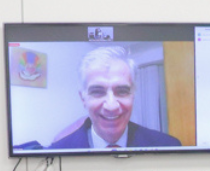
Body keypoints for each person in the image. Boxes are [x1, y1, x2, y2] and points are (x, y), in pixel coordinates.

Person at [47, 45, 182, 150]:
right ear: (83, 99)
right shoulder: (57, 153)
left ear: (133, 95)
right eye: (97, 92)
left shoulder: (168, 146)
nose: (111, 106)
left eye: (122, 91)